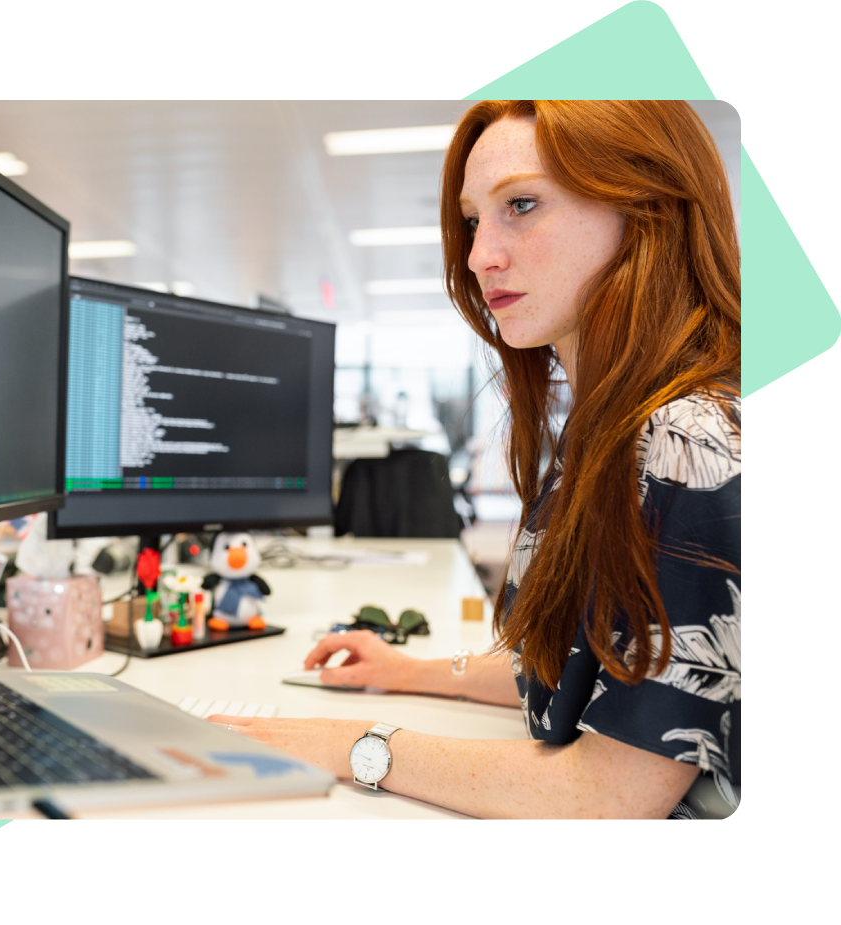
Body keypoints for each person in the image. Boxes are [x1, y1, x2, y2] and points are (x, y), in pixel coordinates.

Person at [209, 100, 744, 820]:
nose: (478, 254)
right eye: (472, 220)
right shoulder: (609, 429)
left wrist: (350, 746)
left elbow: (613, 791)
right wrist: (413, 671)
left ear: (647, 207)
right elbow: (590, 671)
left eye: (521, 204)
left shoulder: (692, 442)